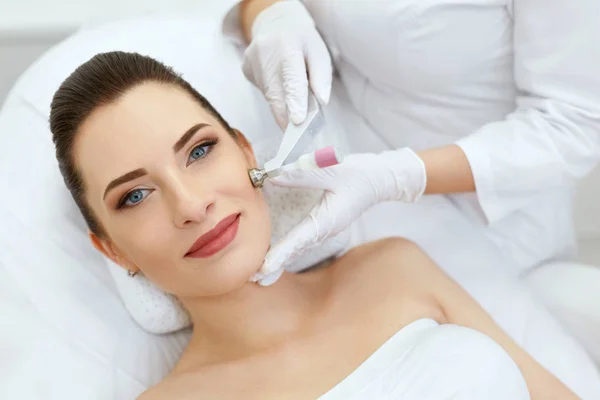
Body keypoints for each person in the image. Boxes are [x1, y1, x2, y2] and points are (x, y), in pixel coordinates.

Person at [49, 51, 578, 399]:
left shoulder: (392, 270)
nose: (189, 204)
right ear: (113, 251)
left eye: (200, 150)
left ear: (246, 152)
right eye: (135, 195)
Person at [228, 0, 600, 280]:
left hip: (492, 228)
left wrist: (399, 175)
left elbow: (575, 122)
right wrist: (273, 16)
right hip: (350, 188)